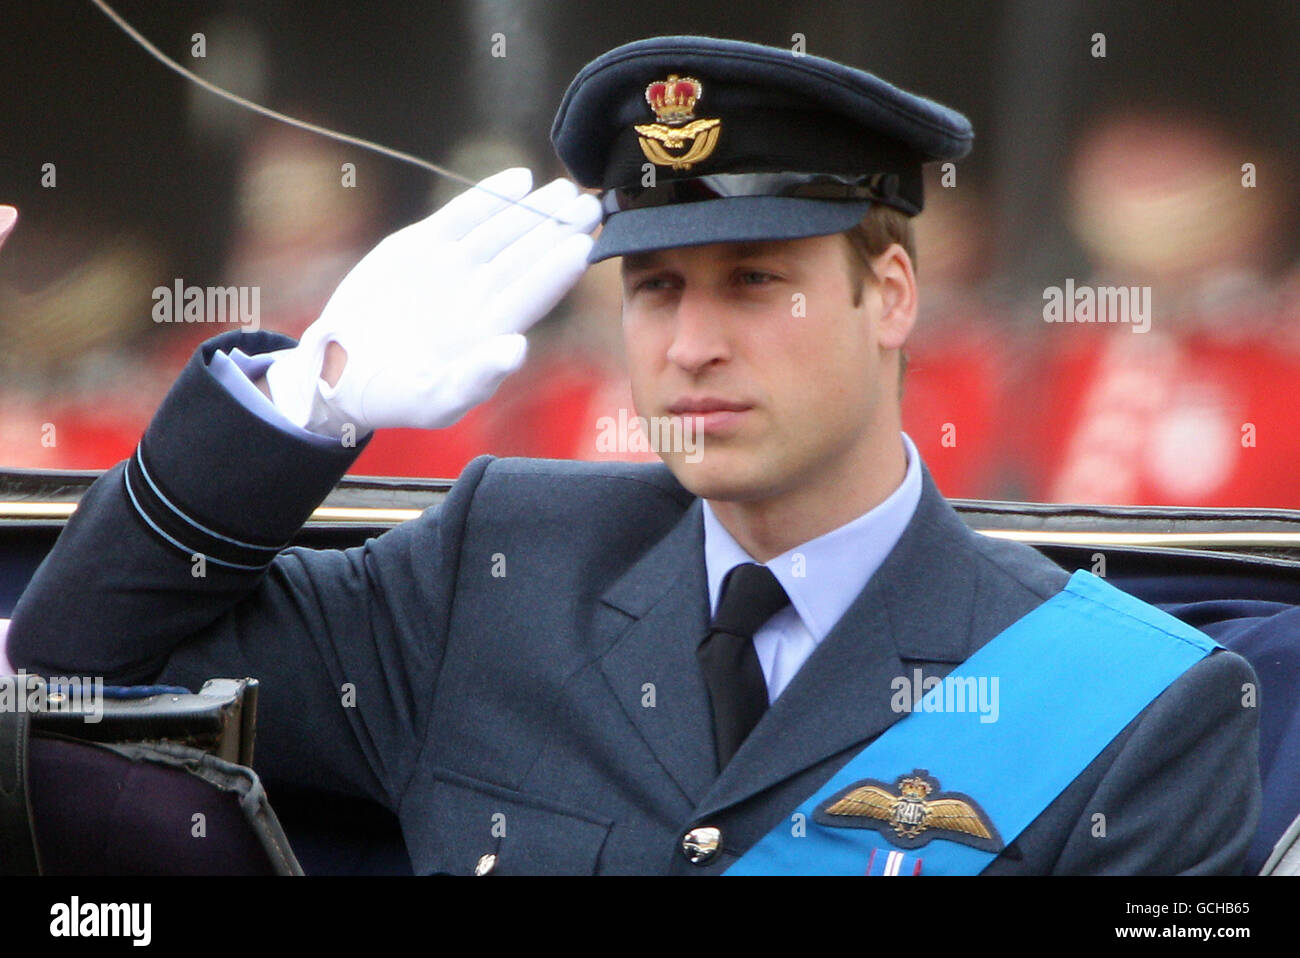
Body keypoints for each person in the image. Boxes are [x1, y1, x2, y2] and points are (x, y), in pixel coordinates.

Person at [7, 37, 1259, 875]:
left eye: (755, 282)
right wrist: (303, 402)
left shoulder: (1133, 705)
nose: (691, 346)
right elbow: (75, 672)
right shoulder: (493, 568)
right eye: (653, 289)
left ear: (889, 292)